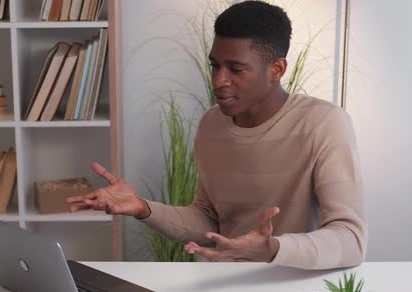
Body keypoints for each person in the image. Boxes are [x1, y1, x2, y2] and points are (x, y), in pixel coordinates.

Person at [66, 1, 366, 270]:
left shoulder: (324, 123)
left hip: (295, 287)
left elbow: (350, 239)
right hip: (225, 282)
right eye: (215, 66)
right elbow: (208, 220)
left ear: (277, 69)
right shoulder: (212, 124)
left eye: (236, 69)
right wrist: (144, 209)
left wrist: (273, 249)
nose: (219, 80)